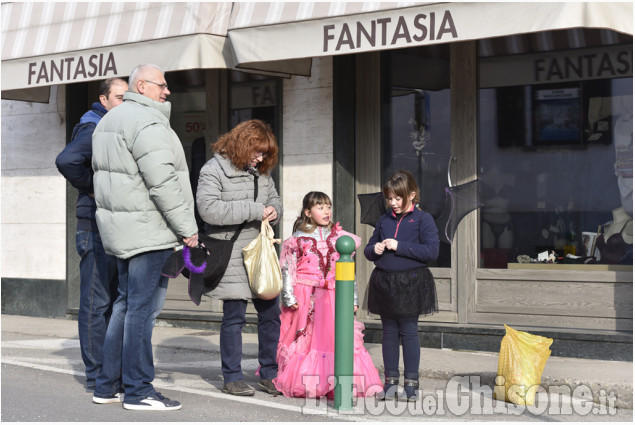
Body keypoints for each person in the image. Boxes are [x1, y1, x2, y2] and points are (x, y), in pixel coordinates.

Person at [91, 64, 199, 411]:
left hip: (122, 229)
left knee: (124, 305)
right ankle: (138, 390)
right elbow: (163, 182)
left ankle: (107, 386)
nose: (167, 91)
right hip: (148, 229)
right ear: (142, 85)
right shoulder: (147, 122)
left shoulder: (109, 120)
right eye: (162, 85)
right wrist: (188, 228)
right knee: (139, 309)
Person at [196, 119, 283, 397]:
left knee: (271, 315)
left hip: (261, 252)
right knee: (234, 317)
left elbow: (275, 200)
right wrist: (255, 209)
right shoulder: (213, 169)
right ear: (242, 145)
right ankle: (232, 377)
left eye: (266, 154)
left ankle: (269, 374)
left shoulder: (263, 172)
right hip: (231, 253)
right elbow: (209, 210)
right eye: (257, 152)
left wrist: (274, 211)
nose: (261, 158)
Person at [55, 77, 128, 391]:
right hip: (95, 229)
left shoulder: (113, 126)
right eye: (121, 97)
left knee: (112, 304)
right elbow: (67, 160)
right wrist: (95, 186)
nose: (126, 102)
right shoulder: (94, 127)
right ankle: (98, 373)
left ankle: (109, 372)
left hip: (114, 227)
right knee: (97, 305)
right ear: (104, 99)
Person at [274, 191, 382, 398]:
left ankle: (336, 382)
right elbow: (288, 268)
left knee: (335, 337)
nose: (326, 211)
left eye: (328, 207)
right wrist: (288, 295)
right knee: (308, 338)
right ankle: (311, 381)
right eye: (320, 207)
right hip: (306, 295)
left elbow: (349, 271)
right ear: (308, 212)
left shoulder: (341, 238)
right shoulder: (296, 239)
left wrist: (354, 298)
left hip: (334, 296)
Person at [363, 169, 439, 401]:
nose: (393, 203)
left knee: (408, 333)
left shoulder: (423, 219)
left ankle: (411, 384)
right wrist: (373, 250)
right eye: (389, 198)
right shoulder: (384, 219)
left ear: (412, 195)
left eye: (398, 198)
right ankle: (390, 382)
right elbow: (368, 249)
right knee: (389, 333)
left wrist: (399, 245)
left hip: (411, 282)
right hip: (385, 282)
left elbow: (432, 251)